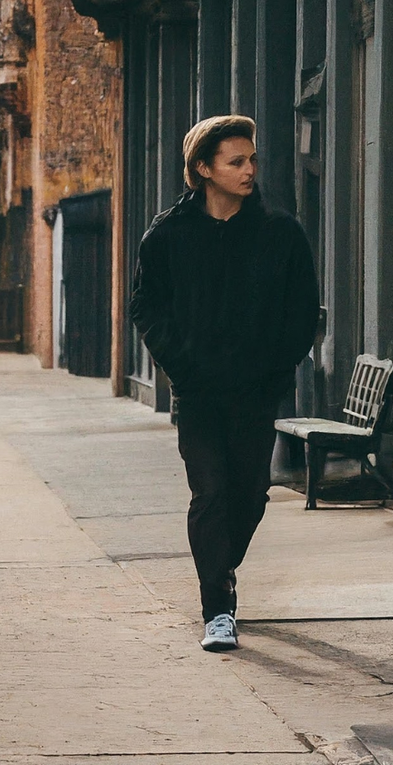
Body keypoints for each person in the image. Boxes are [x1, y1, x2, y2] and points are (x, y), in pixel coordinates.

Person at [129, 115, 319, 652]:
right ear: (204, 169)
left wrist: (275, 369)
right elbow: (146, 306)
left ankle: (220, 566)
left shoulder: (280, 232)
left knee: (251, 495)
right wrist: (181, 365)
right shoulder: (167, 235)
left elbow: (302, 311)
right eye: (236, 161)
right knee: (209, 492)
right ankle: (217, 607)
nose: (249, 169)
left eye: (251, 159)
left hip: (256, 393)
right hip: (198, 394)